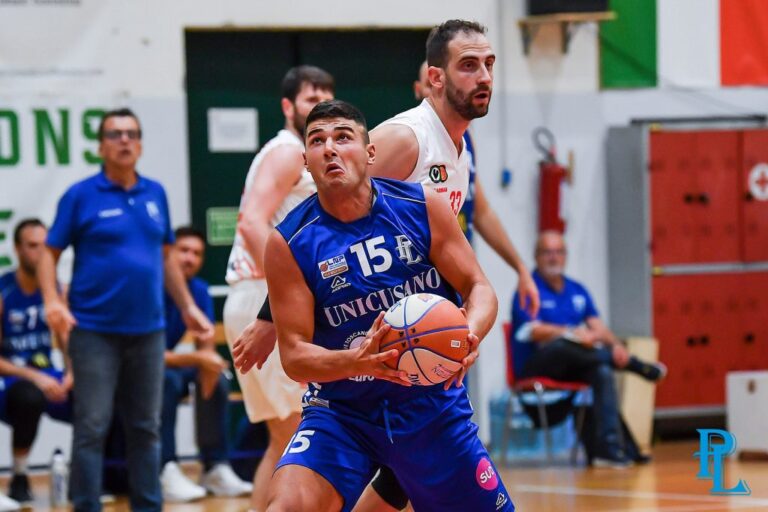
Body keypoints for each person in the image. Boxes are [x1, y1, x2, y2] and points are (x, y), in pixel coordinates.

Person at [263, 99, 514, 512]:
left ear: (370, 152)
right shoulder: (288, 243)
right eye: (317, 141)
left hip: (429, 408)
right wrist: (356, 361)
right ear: (306, 161)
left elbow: (479, 288)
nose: (330, 148)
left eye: (343, 137)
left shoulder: (423, 206)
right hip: (343, 414)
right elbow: (294, 356)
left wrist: (468, 333)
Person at [37, 108, 214, 512]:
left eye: (132, 134)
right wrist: (52, 301)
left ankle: (148, 506)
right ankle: (86, 505)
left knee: (146, 427)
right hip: (93, 331)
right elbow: (48, 253)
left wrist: (187, 306)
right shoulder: (80, 195)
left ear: (140, 144)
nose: (124, 140)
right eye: (115, 134)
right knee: (92, 426)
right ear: (100, 146)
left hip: (148, 331)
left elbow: (166, 258)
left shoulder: (155, 194)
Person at [370, 20, 539, 318]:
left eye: (489, 64)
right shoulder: (406, 138)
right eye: (469, 66)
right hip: (371, 312)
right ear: (436, 78)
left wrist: (520, 268)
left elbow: (482, 212)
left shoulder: (461, 144)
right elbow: (319, 210)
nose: (484, 77)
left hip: (423, 303)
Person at [223, 65, 334, 511]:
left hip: (255, 296)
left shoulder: (297, 152)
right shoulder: (289, 151)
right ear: (288, 106)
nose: (320, 105)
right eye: (311, 98)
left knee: (284, 438)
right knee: (301, 435)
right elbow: (251, 221)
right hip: (261, 297)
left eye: (326, 97)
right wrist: (283, 295)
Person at [511, 231, 667, 468]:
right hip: (537, 364)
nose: (553, 257)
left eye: (559, 252)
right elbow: (531, 331)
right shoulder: (528, 289)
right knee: (564, 345)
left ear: (566, 256)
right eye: (547, 252)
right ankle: (637, 366)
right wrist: (571, 333)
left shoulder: (577, 290)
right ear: (536, 256)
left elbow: (598, 328)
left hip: (574, 363)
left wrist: (616, 347)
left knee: (601, 370)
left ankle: (612, 449)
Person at [160, 226, 252, 501]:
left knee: (218, 377)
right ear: (168, 253)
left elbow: (206, 347)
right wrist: (199, 358)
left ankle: (214, 467)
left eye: (197, 253)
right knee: (166, 380)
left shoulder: (199, 290)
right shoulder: (150, 285)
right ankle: (165, 467)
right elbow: (148, 356)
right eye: (183, 250)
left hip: (171, 363)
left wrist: (208, 365)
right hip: (138, 369)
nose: (190, 258)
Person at [0, 219, 71, 506]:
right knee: (29, 397)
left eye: (45, 246)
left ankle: (98, 475)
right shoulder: (4, 292)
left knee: (97, 395)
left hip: (49, 374)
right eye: (32, 246)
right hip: (11, 377)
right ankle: (19, 477)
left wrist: (73, 372)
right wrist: (36, 377)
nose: (40, 253)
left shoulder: (57, 290)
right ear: (17, 249)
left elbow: (67, 341)